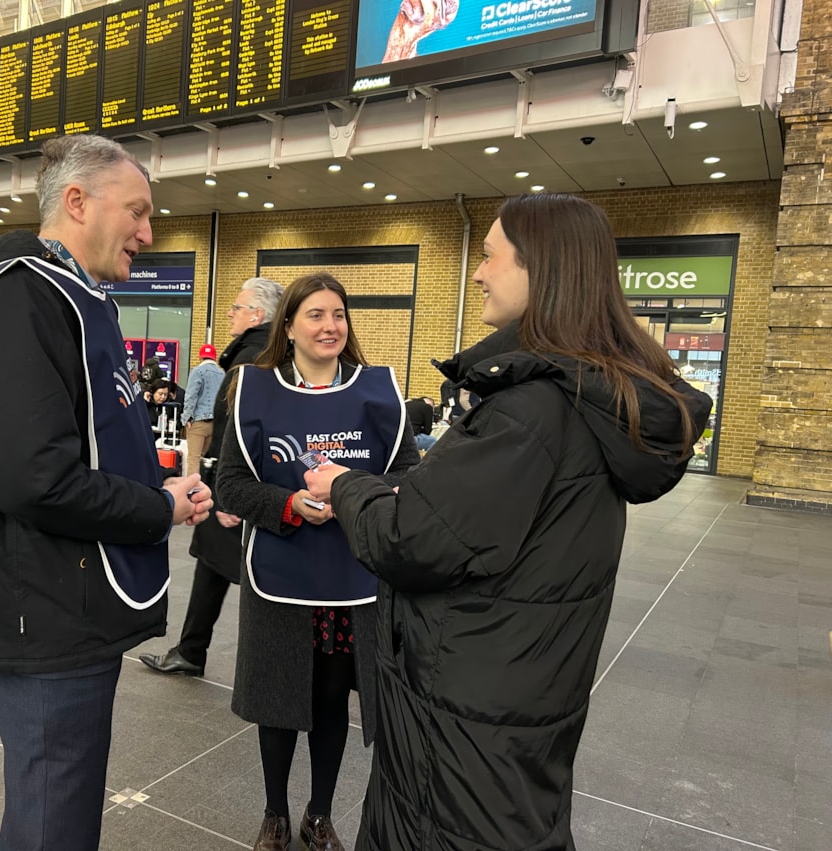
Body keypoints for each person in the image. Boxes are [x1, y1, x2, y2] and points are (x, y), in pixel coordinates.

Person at [304, 193, 712, 851]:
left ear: (540, 269)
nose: (478, 272)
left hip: (463, 727)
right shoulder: (581, 398)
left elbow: (409, 536)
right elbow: (469, 513)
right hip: (516, 709)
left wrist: (344, 485)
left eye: (490, 255)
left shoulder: (529, 411)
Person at [0, 134, 212, 851]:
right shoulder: (22, 299)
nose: (148, 232)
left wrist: (156, 480)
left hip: (62, 600)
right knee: (53, 814)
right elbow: (35, 478)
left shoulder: (74, 298)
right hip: (41, 609)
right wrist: (157, 507)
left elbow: (79, 439)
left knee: (59, 799)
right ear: (76, 201)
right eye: (136, 211)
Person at [218, 274, 419, 851]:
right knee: (278, 704)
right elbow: (230, 484)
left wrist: (353, 495)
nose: (330, 326)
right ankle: (275, 814)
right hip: (280, 574)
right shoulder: (251, 389)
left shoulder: (378, 392)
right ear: (287, 326)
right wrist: (286, 504)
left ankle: (320, 813)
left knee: (334, 701)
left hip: (353, 578)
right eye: (315, 315)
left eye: (338, 314)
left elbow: (408, 476)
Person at [139, 277, 284, 678]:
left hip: (242, 486)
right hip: (252, 485)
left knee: (245, 571)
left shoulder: (251, 359)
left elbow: (240, 431)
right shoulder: (266, 353)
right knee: (214, 564)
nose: (230, 314)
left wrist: (229, 495)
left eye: (237, 307)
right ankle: (191, 649)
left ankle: (266, 665)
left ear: (257, 314)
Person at [181, 343, 224, 477]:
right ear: (214, 358)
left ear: (201, 358)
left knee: (194, 459)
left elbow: (191, 396)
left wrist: (186, 418)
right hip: (216, 423)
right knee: (206, 459)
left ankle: (193, 491)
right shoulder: (222, 374)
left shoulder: (197, 371)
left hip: (198, 422)